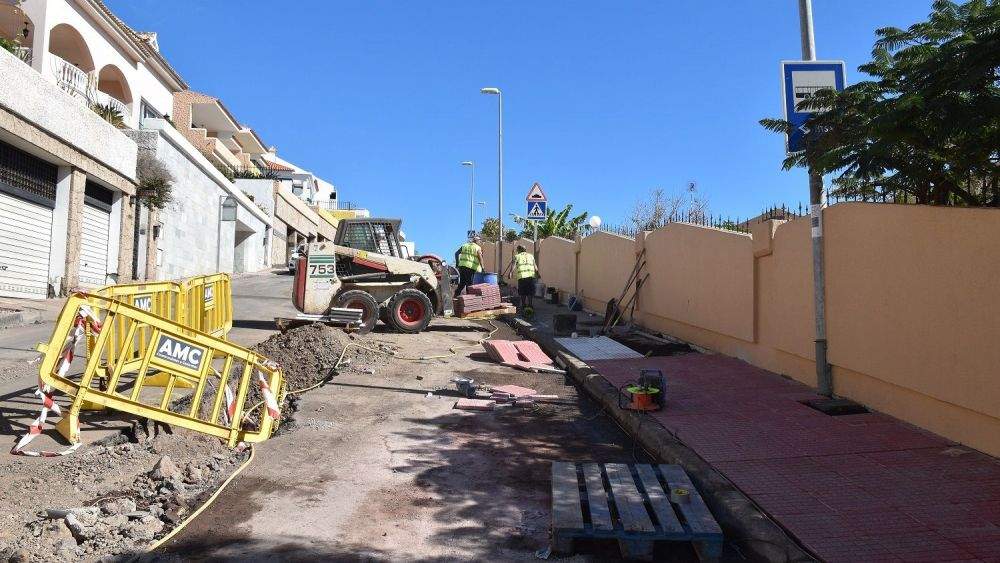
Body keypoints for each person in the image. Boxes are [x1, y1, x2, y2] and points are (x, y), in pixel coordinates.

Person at [513, 244, 539, 309]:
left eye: (517, 250)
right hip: (531, 276)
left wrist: (510, 273)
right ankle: (530, 305)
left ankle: (524, 305)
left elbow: (513, 265)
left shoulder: (517, 256)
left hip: (522, 276)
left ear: (519, 250)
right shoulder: (531, 256)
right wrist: (538, 274)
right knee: (530, 292)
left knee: (523, 292)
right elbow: (535, 266)